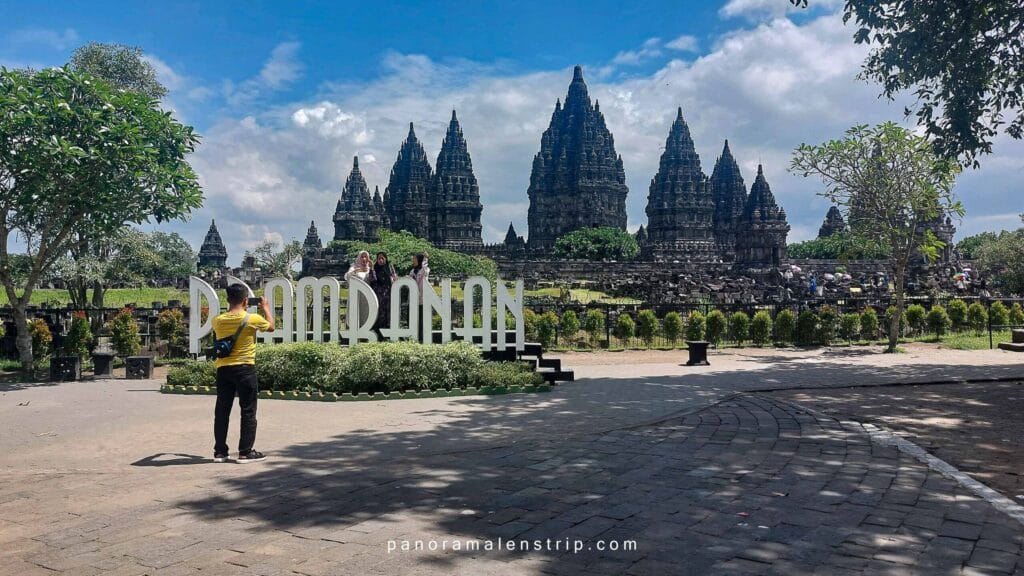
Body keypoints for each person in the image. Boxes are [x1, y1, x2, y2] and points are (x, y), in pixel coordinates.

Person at [211, 284, 274, 463]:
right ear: (246, 300)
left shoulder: (217, 320)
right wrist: (266, 308)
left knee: (222, 411)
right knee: (247, 410)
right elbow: (271, 327)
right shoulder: (252, 318)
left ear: (227, 300)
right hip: (245, 368)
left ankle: (220, 452)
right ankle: (245, 451)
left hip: (223, 369)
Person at [369, 251, 397, 336]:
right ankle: (379, 333)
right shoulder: (375, 268)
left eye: (382, 258)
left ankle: (389, 332)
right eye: (378, 258)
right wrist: (372, 268)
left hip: (389, 293)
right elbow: (373, 279)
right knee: (380, 314)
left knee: (389, 313)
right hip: (379, 294)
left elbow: (394, 278)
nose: (380, 260)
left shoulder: (390, 267)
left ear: (385, 258)